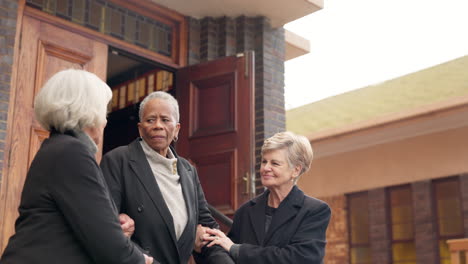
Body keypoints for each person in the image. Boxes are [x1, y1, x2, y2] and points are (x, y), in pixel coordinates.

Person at [0, 69, 152, 264]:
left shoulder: (59, 148)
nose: (105, 121)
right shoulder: (72, 152)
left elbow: (81, 223)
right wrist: (142, 260)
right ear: (89, 112)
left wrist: (113, 225)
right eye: (103, 112)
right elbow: (108, 244)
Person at [100, 91, 234, 264]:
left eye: (165, 120)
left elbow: (206, 225)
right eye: (150, 120)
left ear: (176, 128)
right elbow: (108, 227)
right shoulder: (118, 161)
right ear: (140, 128)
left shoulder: (187, 170)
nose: (158, 125)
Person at [204, 131, 331, 264]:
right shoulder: (245, 212)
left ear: (296, 170)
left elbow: (299, 259)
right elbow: (226, 254)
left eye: (275, 163)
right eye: (264, 161)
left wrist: (238, 250)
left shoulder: (315, 211)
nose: (265, 168)